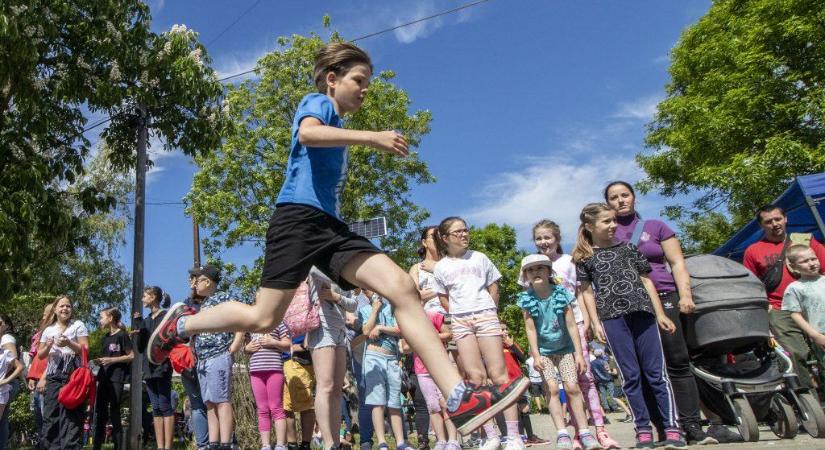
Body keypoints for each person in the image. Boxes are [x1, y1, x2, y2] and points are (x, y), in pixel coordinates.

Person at [147, 42, 526, 439]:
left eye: (367, 82)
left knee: (403, 287)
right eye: (359, 80)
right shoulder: (318, 103)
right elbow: (308, 134)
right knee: (264, 317)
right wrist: (373, 137)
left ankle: (458, 397)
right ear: (333, 79)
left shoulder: (340, 129)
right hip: (296, 220)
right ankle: (183, 323)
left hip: (330, 228)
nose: (365, 89)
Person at [604, 181, 717, 446]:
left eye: (624, 195)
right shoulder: (606, 232)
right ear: (607, 204)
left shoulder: (656, 227)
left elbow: (677, 262)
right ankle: (662, 428)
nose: (620, 200)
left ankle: (692, 426)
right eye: (613, 197)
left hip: (666, 296)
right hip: (630, 306)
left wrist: (686, 294)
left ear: (634, 197)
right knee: (643, 370)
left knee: (677, 362)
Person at [573, 203, 685, 450]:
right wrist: (596, 322)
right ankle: (643, 430)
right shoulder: (585, 258)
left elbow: (646, 281)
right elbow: (587, 293)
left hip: (643, 314)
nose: (613, 225)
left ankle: (672, 428)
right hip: (613, 319)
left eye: (614, 220)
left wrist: (659, 314)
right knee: (630, 376)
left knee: (656, 373)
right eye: (607, 222)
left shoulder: (629, 248)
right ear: (590, 226)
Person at [433, 216, 530, 450]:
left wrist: (490, 308)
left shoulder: (480, 257)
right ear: (445, 238)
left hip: (486, 314)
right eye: (458, 232)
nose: (464, 235)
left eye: (466, 230)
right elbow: (443, 297)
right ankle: (491, 435)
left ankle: (513, 436)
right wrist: (459, 313)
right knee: (475, 378)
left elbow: (494, 285)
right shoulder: (441, 267)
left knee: (499, 374)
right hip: (460, 320)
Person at [532, 220, 619, 450]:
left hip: (576, 323)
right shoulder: (534, 267)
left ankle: (600, 429)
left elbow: (582, 292)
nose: (543, 242)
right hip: (551, 331)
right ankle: (579, 433)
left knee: (585, 377)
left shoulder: (570, 261)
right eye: (539, 238)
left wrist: (590, 320)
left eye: (547, 237)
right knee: (566, 383)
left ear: (557, 238)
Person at [516, 255, 601, 450]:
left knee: (572, 387)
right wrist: (535, 354)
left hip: (565, 350)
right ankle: (562, 433)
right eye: (530, 269)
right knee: (552, 389)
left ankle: (584, 432)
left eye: (540, 268)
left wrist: (579, 353)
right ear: (525, 275)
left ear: (548, 271)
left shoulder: (560, 294)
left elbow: (572, 325)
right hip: (544, 352)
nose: (536, 272)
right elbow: (530, 329)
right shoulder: (527, 299)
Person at [743, 204, 825, 389]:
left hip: (814, 306)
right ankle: (807, 398)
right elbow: (751, 285)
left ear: (785, 219)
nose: (774, 224)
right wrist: (764, 306)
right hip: (780, 308)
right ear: (761, 226)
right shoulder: (753, 251)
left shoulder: (805, 242)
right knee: (796, 353)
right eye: (768, 221)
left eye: (777, 219)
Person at [187, 267, 245, 450]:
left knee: (221, 400)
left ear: (208, 282)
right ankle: (214, 443)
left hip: (218, 354)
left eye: (199, 279)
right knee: (209, 403)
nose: (195, 283)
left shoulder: (224, 298)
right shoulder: (205, 304)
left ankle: (226, 443)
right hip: (203, 358)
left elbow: (241, 318)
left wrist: (236, 343)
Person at [307, 268, 359, 450]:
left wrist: (336, 297)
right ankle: (327, 442)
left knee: (338, 389)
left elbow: (353, 304)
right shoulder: (315, 264)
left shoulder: (342, 267)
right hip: (321, 326)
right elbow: (329, 275)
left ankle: (336, 442)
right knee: (325, 385)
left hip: (340, 330)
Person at [400, 304, 459, 450]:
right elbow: (404, 347)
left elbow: (448, 334)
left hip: (440, 365)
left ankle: (453, 441)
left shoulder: (433, 315)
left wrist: (430, 337)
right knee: (432, 406)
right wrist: (419, 341)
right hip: (421, 370)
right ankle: (441, 441)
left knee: (446, 403)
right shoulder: (407, 321)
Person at [37, 295, 90, 450]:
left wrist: (69, 343)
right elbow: (40, 355)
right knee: (50, 417)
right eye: (61, 306)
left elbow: (85, 349)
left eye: (68, 306)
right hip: (53, 376)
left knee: (71, 417)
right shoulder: (48, 329)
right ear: (55, 309)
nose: (65, 308)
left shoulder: (78, 325)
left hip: (72, 376)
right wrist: (47, 346)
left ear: (71, 309)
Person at [358, 293, 408, 450]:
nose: (372, 294)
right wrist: (375, 310)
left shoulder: (392, 308)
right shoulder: (365, 309)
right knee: (377, 402)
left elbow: (400, 330)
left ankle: (400, 442)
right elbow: (366, 331)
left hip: (392, 358)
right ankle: (382, 442)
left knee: (394, 402)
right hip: (374, 357)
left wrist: (380, 327)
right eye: (367, 291)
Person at [134, 286, 176, 450]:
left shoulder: (166, 316)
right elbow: (140, 347)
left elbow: (169, 339)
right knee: (156, 407)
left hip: (162, 365)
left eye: (145, 295)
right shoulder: (145, 320)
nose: (142, 298)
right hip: (148, 367)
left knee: (165, 405)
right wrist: (138, 327)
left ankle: (168, 446)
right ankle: (160, 446)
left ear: (153, 297)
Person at [246, 321, 291, 450]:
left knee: (276, 407)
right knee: (262, 409)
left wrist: (274, 343)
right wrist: (246, 349)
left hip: (274, 370)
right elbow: (246, 346)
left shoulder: (278, 322)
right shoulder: (251, 324)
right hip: (255, 372)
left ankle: (281, 445)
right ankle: (265, 445)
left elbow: (287, 344)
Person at [93, 307, 134, 450]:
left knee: (115, 412)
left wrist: (112, 360)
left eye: (102, 317)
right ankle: (96, 445)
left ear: (110, 318)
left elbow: (131, 356)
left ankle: (118, 446)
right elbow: (106, 357)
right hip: (103, 378)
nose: (100, 320)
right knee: (100, 413)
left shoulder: (122, 335)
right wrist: (100, 361)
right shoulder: (105, 338)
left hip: (117, 378)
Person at [499, 324, 544, 446]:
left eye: (506, 329)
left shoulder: (512, 344)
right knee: (509, 410)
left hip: (518, 380)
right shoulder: (495, 347)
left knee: (524, 408)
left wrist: (512, 345)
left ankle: (530, 437)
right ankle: (515, 437)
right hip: (505, 382)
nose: (505, 331)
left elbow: (524, 359)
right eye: (502, 329)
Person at [782, 245, 825, 368]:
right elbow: (795, 314)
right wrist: (815, 336)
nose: (811, 263)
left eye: (813, 259)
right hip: (821, 334)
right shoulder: (795, 288)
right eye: (805, 261)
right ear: (794, 266)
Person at [182, 270, 210, 450]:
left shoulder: (212, 301)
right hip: (190, 359)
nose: (191, 283)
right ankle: (203, 445)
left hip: (211, 357)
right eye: (191, 280)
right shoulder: (186, 304)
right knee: (197, 405)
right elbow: (182, 331)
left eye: (194, 279)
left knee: (216, 403)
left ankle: (225, 442)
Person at [26, 303, 55, 447]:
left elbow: (54, 358)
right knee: (38, 418)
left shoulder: (54, 332)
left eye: (45, 314)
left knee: (46, 418)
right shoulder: (41, 334)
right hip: (36, 379)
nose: (42, 317)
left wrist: (44, 377)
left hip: (47, 379)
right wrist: (31, 376)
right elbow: (37, 358)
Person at [284, 334, 316, 450]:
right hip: (280, 359)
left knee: (305, 405)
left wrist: (300, 346)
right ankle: (292, 445)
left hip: (299, 359)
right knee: (286, 406)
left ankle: (304, 445)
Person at [0, 313, 23, 448]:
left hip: (4, 387)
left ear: (6, 326)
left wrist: (5, 379)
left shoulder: (6, 340)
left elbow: (16, 364)